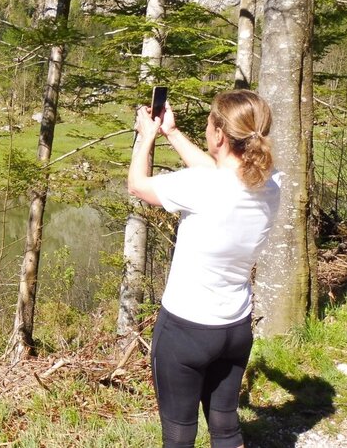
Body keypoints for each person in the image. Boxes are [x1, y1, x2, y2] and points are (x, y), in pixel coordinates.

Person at [127, 89, 281, 448]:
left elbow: (137, 186)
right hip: (236, 328)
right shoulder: (272, 185)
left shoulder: (201, 186)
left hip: (186, 331)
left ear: (218, 135)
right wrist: (173, 132)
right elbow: (219, 172)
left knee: (180, 434)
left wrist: (145, 136)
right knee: (225, 426)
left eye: (211, 124)